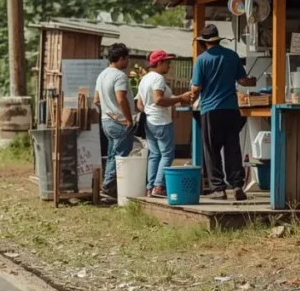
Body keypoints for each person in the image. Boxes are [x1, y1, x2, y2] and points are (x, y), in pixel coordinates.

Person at [190, 24, 256, 200]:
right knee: (232, 148)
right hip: (231, 109)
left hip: (211, 110)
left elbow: (197, 87)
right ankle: (236, 185)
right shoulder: (232, 56)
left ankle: (218, 188)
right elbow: (243, 81)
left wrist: (190, 95)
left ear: (204, 43)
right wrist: (253, 81)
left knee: (211, 150)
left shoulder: (202, 60)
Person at [136, 50, 192, 197]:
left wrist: (177, 99)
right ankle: (159, 186)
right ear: (159, 63)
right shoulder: (158, 79)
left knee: (154, 155)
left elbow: (140, 104)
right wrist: (180, 97)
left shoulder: (144, 79)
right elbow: (158, 100)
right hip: (161, 121)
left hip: (150, 121)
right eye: (167, 63)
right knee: (167, 154)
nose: (169, 66)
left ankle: (150, 188)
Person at [93, 43, 134, 198]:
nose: (128, 62)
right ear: (121, 59)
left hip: (106, 121)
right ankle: (108, 186)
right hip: (120, 122)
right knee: (121, 156)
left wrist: (108, 110)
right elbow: (121, 98)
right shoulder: (119, 76)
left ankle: (109, 186)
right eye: (127, 59)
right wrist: (128, 119)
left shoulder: (102, 75)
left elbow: (96, 99)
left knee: (112, 155)